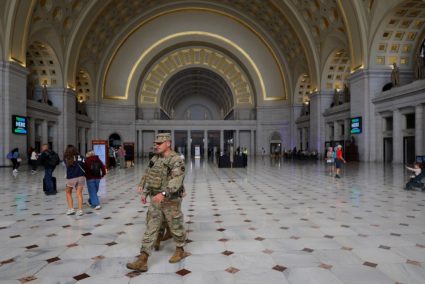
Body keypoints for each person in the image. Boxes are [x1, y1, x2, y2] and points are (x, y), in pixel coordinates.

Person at [127, 133, 189, 273]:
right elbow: (149, 174)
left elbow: (177, 180)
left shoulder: (176, 160)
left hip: (170, 199)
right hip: (156, 198)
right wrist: (145, 191)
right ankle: (142, 259)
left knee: (175, 224)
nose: (156, 146)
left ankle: (180, 249)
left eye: (160, 143)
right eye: (156, 143)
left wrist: (164, 193)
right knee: (151, 226)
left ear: (168, 143)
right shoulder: (155, 158)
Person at [63, 145, 86, 216]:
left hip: (71, 177)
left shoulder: (67, 158)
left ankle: (71, 209)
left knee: (68, 192)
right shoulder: (81, 157)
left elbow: (66, 166)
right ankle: (80, 210)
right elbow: (84, 165)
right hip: (81, 176)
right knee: (79, 193)